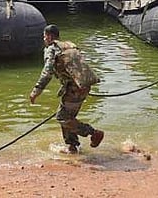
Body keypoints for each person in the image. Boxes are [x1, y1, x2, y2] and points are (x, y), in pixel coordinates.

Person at [29, 24, 103, 154]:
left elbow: (47, 72)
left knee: (62, 117)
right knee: (67, 116)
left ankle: (93, 133)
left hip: (75, 88)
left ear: (49, 36)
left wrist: (36, 91)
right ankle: (72, 146)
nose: (44, 39)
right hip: (82, 85)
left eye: (44, 37)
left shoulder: (52, 49)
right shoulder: (69, 45)